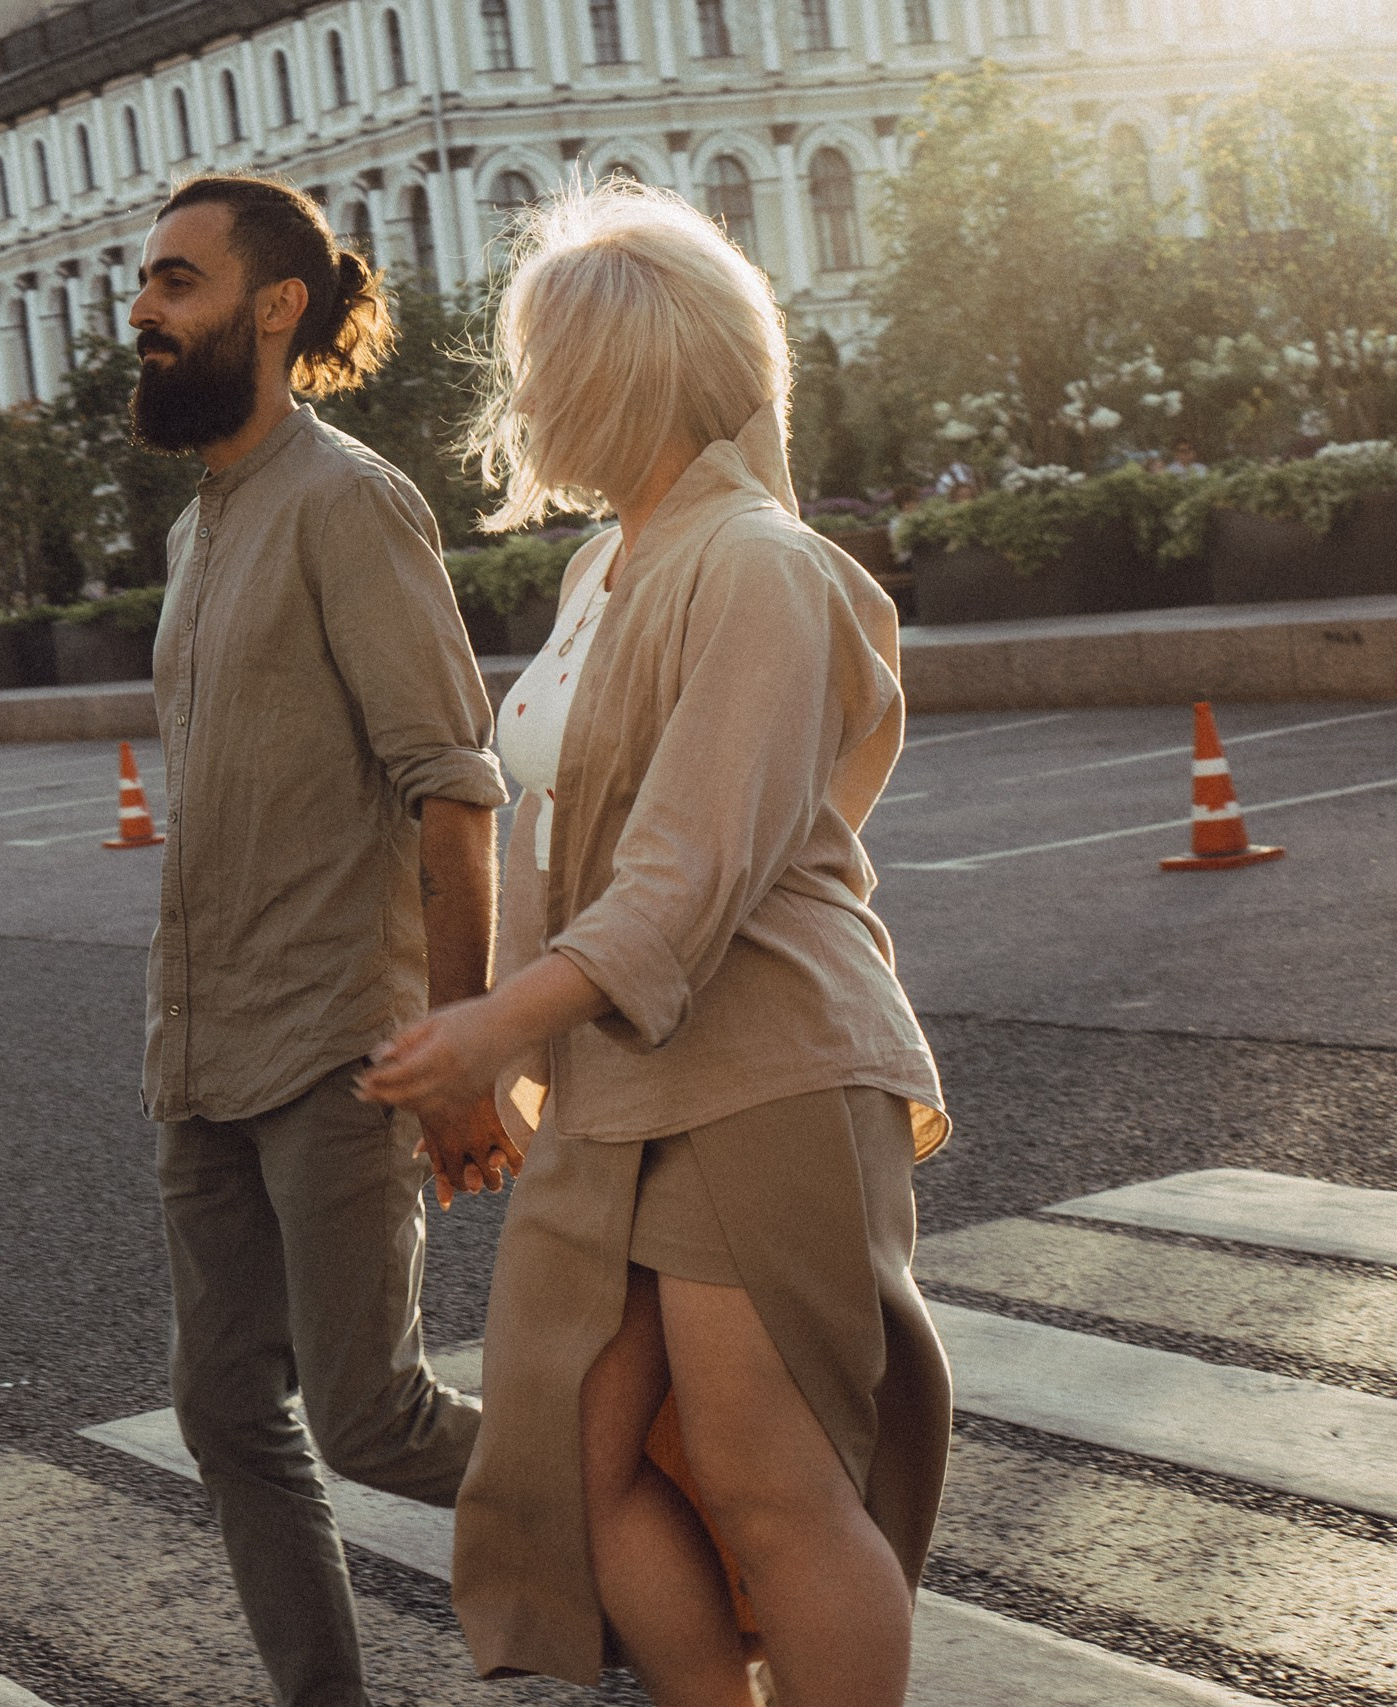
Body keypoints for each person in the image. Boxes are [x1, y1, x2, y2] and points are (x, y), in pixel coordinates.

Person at [358, 181, 953, 1707]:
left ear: (627, 370)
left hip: (764, 1067)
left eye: (547, 362)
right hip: (620, 1081)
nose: (527, 397)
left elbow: (695, 870)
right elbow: (575, 848)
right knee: (563, 1462)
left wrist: (488, 1030)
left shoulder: (754, 561)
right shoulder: (601, 569)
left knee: (770, 1484)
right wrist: (504, 1047)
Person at [126, 172, 520, 1707]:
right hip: (201, 1045)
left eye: (176, 284)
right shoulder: (199, 528)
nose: (143, 315)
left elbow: (453, 790)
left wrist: (464, 1055)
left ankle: (672, 1530)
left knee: (373, 1418)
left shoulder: (348, 499)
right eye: (145, 287)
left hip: (335, 1043)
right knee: (226, 1409)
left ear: (273, 307)